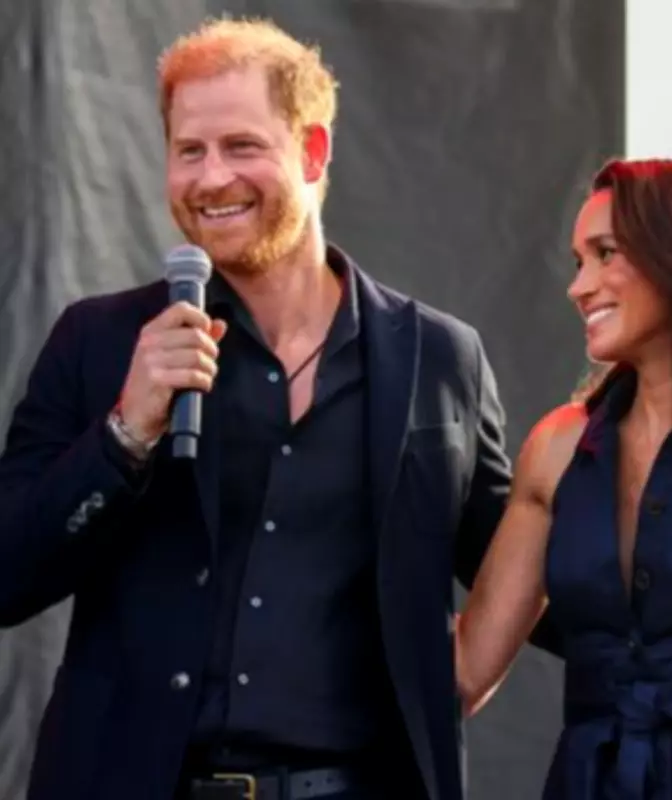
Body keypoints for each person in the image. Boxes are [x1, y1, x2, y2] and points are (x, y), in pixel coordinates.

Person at [0, 18, 512, 800]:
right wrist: (123, 435)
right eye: (189, 151)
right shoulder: (98, 342)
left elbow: (529, 567)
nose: (211, 179)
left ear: (313, 152)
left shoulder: (438, 357)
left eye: (241, 146)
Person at [455, 158, 672, 798]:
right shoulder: (556, 448)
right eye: (577, 261)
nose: (578, 286)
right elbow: (464, 672)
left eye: (605, 253)